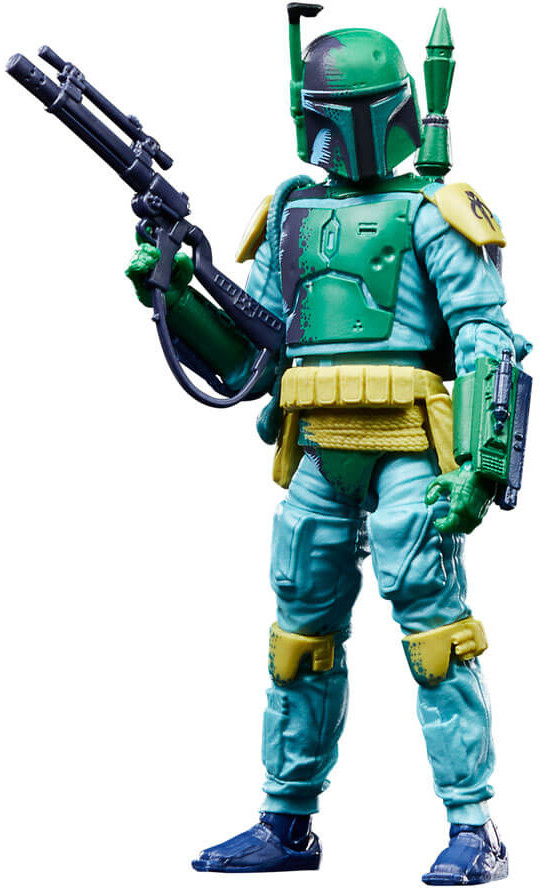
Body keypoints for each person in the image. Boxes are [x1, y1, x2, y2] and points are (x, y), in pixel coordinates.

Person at [127, 6, 531, 884]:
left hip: (408, 451)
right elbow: (255, 354)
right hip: (315, 451)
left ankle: (474, 828)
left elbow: (486, 340)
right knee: (298, 640)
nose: (337, 134)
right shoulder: (291, 209)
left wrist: (479, 468)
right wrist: (174, 294)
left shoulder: (434, 211)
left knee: (436, 637)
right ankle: (286, 821)